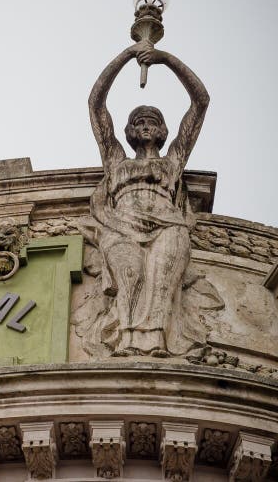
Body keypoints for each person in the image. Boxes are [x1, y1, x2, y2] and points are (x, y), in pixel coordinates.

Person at [83, 40, 210, 357]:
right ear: (128, 131)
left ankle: (157, 343)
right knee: (131, 277)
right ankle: (126, 342)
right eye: (138, 121)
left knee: (162, 283)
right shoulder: (116, 162)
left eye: (152, 120)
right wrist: (126, 55)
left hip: (168, 225)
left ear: (163, 130)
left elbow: (200, 102)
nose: (145, 124)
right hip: (123, 226)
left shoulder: (172, 162)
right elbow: (96, 105)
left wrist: (166, 59)